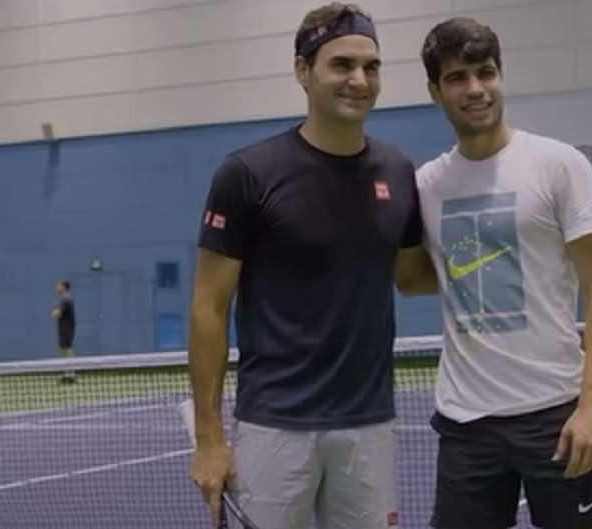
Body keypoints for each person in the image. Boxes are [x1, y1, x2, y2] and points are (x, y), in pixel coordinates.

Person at [185, 3, 434, 529]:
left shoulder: (397, 171)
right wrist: (210, 438)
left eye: (371, 67)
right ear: (303, 72)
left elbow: (412, 278)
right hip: (275, 426)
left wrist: (517, 274)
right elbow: (208, 307)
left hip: (368, 425)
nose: (359, 80)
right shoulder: (247, 174)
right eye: (342, 65)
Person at [414, 17, 592, 529]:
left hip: (556, 415)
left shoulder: (558, 165)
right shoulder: (425, 186)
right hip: (466, 424)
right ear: (434, 91)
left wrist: (591, 405)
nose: (476, 89)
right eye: (458, 77)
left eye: (486, 73)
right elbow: (417, 277)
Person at [51, 279, 77, 384]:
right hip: (64, 327)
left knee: (67, 349)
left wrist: (54, 312)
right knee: (63, 349)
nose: (56, 288)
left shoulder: (65, 298)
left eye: (58, 286)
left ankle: (70, 375)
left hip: (67, 328)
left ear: (63, 287)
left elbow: (57, 313)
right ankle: (68, 373)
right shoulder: (64, 298)